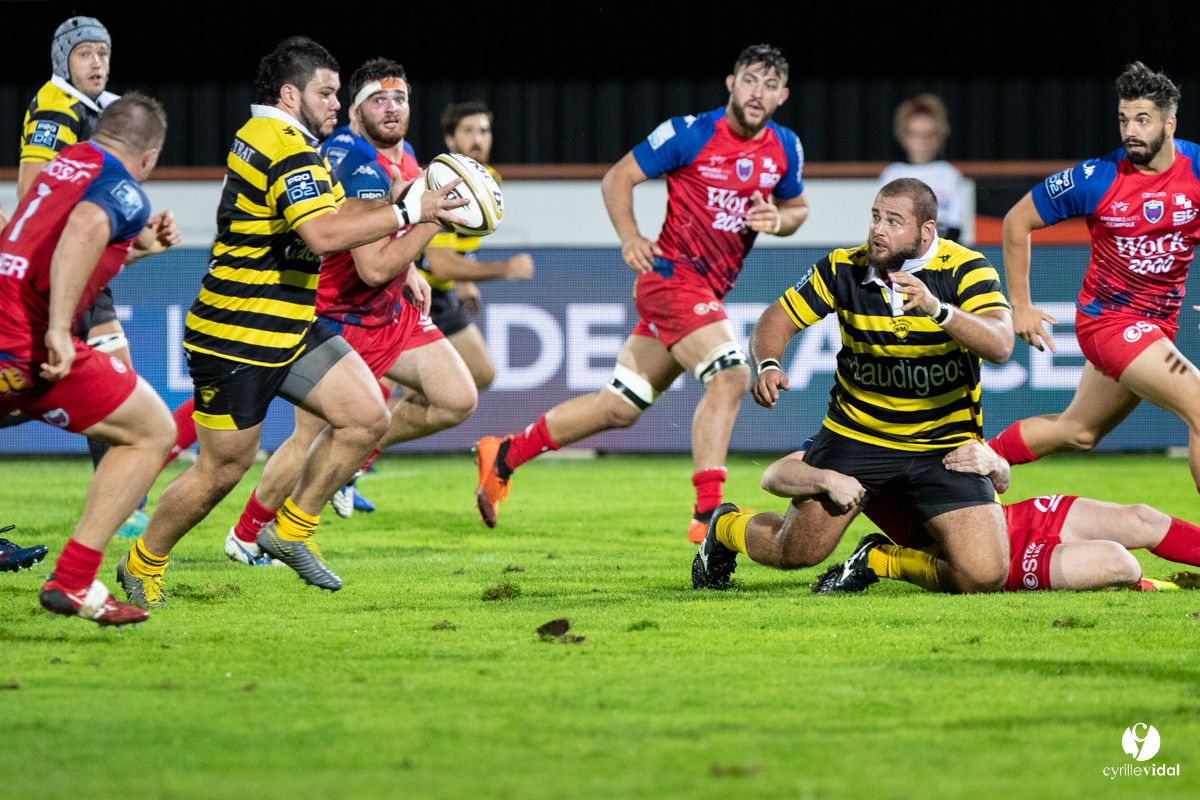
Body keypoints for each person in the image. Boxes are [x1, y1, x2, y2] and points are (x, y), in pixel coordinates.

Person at [114, 37, 464, 607]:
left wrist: (395, 199)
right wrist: (410, 213)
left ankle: (290, 529)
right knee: (221, 471)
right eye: (326, 93)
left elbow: (339, 212)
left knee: (366, 416)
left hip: (292, 322)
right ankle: (143, 561)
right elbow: (323, 235)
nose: (335, 103)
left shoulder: (283, 140)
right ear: (289, 93)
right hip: (239, 327)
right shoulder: (288, 149)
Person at [474, 44, 809, 540]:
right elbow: (619, 178)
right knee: (733, 376)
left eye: (769, 85)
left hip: (705, 289)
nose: (757, 92)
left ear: (782, 95)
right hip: (672, 279)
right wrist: (631, 236)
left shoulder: (785, 147)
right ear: (730, 83)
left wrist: (778, 219)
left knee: (619, 407)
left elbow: (797, 208)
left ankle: (505, 454)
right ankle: (708, 516)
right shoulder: (689, 133)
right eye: (749, 80)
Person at [692, 178, 1014, 593]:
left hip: (945, 446)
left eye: (894, 222)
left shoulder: (966, 269)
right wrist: (768, 363)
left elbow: (1002, 346)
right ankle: (725, 528)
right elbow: (777, 318)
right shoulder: (845, 267)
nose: (879, 229)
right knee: (796, 553)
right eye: (876, 217)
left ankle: (877, 558)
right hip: (856, 437)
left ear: (926, 231)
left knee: (985, 576)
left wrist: (937, 309)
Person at [223, 57, 475, 561]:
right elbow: (372, 268)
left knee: (457, 397)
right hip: (340, 316)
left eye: (399, 98)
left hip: (389, 314)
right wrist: (429, 228)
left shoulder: (407, 163)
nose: (392, 108)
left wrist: (412, 271)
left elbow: (389, 249)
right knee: (307, 442)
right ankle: (247, 534)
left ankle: (356, 461)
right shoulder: (351, 159)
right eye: (377, 100)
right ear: (355, 113)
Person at [0, 93, 180, 625]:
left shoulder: (67, 161)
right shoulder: (124, 187)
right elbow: (82, 230)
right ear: (149, 156)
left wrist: (139, 245)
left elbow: (62, 244)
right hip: (25, 340)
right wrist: (57, 330)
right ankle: (74, 578)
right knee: (152, 430)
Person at [16, 15, 197, 535]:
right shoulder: (55, 108)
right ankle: (122, 510)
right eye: (85, 54)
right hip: (55, 270)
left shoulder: (99, 109)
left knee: (116, 384)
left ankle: (123, 507)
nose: (97, 63)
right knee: (102, 389)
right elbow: (36, 189)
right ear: (62, 61)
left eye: (103, 53)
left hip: (78, 267)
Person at [990, 62, 1200, 503]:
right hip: (1109, 324)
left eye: (1142, 119)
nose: (1130, 130)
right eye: (1124, 119)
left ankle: (976, 459)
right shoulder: (1097, 177)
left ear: (1170, 123)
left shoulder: (1196, 169)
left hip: (1156, 326)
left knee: (1078, 432)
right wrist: (1020, 305)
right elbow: (1017, 221)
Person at [800, 440, 1200, 593]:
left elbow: (1002, 479)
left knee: (1142, 519)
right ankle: (882, 559)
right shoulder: (848, 440)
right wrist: (825, 478)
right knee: (1119, 563)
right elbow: (780, 473)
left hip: (1010, 520)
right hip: (986, 559)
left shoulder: (937, 408)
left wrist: (995, 462)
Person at [418, 100, 534, 390]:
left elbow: (461, 242)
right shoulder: (439, 182)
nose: (478, 139)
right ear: (450, 140)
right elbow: (442, 265)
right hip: (408, 297)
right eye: (468, 130)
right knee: (400, 393)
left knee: (481, 373)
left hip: (439, 299)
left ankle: (380, 432)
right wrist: (505, 268)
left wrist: (465, 281)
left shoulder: (487, 179)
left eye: (484, 130)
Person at [878, 94, 967, 242]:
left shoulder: (949, 174)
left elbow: (955, 226)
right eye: (915, 135)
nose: (922, 142)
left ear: (939, 136)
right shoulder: (892, 174)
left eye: (928, 135)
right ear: (903, 136)